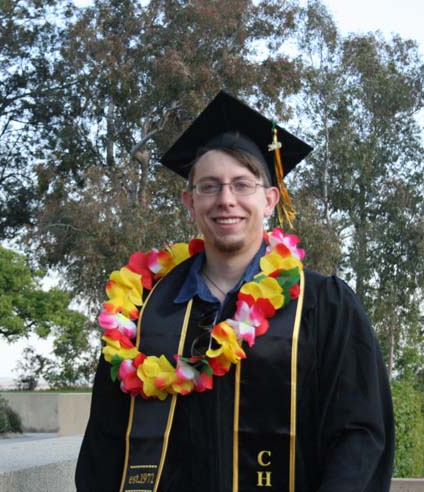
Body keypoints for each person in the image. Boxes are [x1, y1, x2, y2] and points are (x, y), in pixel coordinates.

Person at [75, 91, 394, 491]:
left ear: (270, 199)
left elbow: (359, 434)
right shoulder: (141, 309)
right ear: (189, 202)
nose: (226, 200)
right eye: (209, 187)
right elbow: (105, 441)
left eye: (242, 185)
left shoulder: (322, 305)